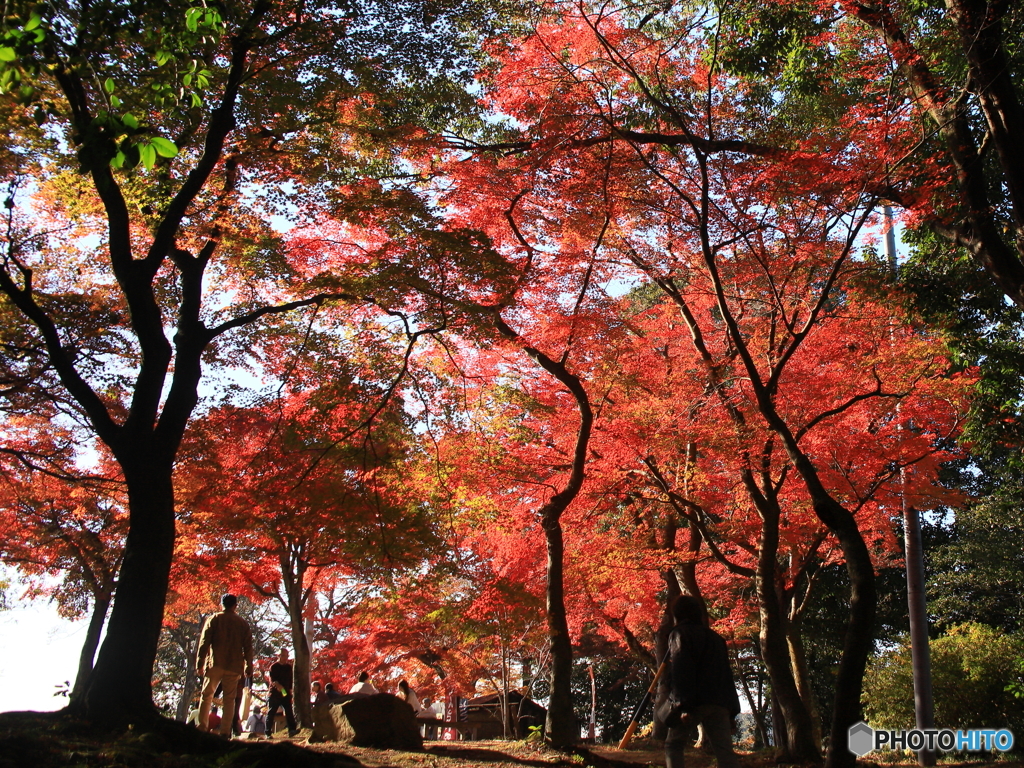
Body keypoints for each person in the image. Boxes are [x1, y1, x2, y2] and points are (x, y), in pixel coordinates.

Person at [662, 595, 740, 768]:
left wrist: (682, 705)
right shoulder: (716, 638)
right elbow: (726, 674)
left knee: (673, 745)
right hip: (719, 702)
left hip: (693, 701)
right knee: (725, 752)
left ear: (678, 614)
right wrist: (732, 710)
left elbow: (682, 670)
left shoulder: (679, 634)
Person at [196, 594, 254, 737]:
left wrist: (200, 663)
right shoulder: (242, 623)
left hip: (215, 663)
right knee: (229, 700)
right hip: (234, 666)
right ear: (236, 606)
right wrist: (248, 666)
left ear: (221, 604)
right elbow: (248, 647)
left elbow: (204, 643)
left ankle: (202, 727)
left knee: (207, 695)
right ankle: (225, 731)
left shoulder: (214, 619)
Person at [266, 647, 299, 737]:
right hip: (275, 693)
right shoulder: (274, 667)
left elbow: (290, 681)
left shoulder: (288, 667)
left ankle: (292, 730)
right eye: (283, 655)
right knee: (271, 712)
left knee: (289, 711)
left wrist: (290, 692)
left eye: (287, 656)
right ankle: (268, 732)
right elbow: (274, 681)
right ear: (278, 656)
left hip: (285, 693)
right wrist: (281, 688)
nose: (285, 658)